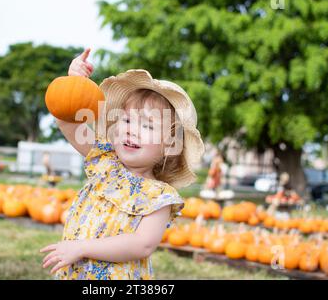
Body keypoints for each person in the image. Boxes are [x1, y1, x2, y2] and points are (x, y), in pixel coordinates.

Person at [40, 48, 205, 279]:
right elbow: (66, 120)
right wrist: (74, 81)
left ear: (169, 145)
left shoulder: (160, 196)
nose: (131, 130)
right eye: (126, 120)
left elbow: (142, 244)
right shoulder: (105, 162)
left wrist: (81, 247)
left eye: (147, 126)